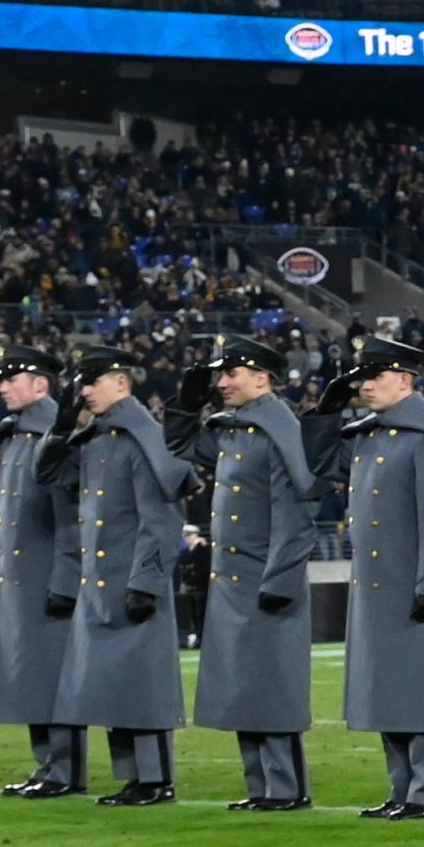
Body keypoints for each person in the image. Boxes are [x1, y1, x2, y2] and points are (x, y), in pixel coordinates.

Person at [303, 335, 424, 823]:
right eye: (360, 378)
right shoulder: (369, 435)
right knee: (389, 695)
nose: (363, 386)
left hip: (415, 588)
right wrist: (324, 412)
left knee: (422, 696)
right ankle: (403, 789)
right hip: (379, 591)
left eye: (373, 377)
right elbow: (316, 466)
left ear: (404, 380)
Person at [166, 334, 324, 812]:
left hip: (265, 578)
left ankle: (287, 788)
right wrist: (185, 403)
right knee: (243, 684)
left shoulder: (279, 429)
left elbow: (296, 513)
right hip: (234, 580)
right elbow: (177, 444)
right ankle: (260, 786)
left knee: (271, 685)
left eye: (231, 374)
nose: (222, 383)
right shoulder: (236, 429)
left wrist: (279, 580)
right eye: (219, 375)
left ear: (261, 378)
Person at [37, 346, 200, 807]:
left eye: (93, 380)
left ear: (122, 383)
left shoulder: (143, 437)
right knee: (112, 687)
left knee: (143, 685)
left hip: (132, 583)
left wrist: (146, 582)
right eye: (80, 382)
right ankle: (132, 778)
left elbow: (162, 519)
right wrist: (62, 426)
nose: (84, 390)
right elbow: (46, 473)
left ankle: (156, 779)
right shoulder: (97, 437)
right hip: (100, 583)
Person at [0, 345, 86, 797]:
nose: (2, 388)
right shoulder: (16, 436)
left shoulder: (54, 435)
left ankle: (63, 771)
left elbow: (70, 516)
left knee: (51, 677)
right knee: (31, 676)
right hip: (23, 581)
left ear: (40, 385)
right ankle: (48, 768)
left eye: (9, 380)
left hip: (48, 578)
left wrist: (66, 580)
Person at [176, 524, 211, 648]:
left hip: (201, 586)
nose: (187, 538)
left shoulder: (202, 549)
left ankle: (202, 638)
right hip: (191, 586)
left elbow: (204, 568)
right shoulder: (186, 551)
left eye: (189, 535)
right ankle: (196, 637)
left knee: (202, 615)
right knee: (193, 615)